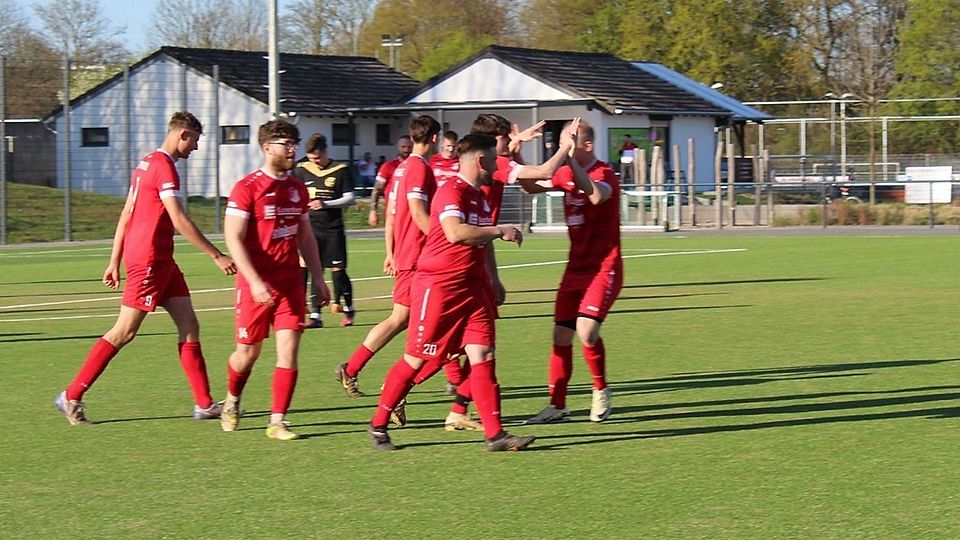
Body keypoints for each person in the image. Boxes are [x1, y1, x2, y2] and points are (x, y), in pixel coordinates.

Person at [54, 111, 237, 425]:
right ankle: (71, 395)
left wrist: (114, 260)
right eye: (194, 141)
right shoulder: (164, 168)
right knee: (124, 332)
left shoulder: (146, 163)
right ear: (182, 134)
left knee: (189, 325)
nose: (195, 148)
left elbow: (127, 212)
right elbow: (178, 219)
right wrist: (216, 255)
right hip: (149, 261)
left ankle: (204, 403)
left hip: (163, 261)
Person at [367, 133, 534, 452]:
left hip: (473, 289)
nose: (496, 168)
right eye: (493, 162)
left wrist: (494, 279)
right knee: (416, 359)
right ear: (481, 161)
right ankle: (378, 425)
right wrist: (499, 230)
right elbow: (456, 233)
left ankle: (496, 435)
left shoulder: (480, 196)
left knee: (483, 355)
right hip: (438, 288)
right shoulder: (450, 191)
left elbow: (482, 242)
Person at [411, 113, 574, 430]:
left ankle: (460, 411)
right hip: (458, 263)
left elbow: (531, 187)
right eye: (504, 139)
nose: (507, 144)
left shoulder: (494, 163)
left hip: (475, 256)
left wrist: (517, 148)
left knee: (478, 347)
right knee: (458, 345)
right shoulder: (494, 164)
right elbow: (543, 174)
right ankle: (404, 389)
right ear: (491, 142)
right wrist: (565, 146)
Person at [218, 119, 331, 441]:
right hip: (255, 284)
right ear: (267, 148)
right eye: (286, 144)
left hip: (290, 283)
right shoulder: (247, 188)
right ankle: (232, 400)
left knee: (289, 351)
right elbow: (233, 237)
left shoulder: (297, 188)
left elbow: (305, 236)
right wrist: (254, 282)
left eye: (295, 143)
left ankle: (278, 420)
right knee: (247, 354)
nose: (293, 149)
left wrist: (318, 278)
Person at [519, 119, 622, 424]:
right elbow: (530, 186)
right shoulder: (564, 172)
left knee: (586, 331)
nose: (562, 147)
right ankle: (557, 405)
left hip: (604, 267)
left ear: (587, 145)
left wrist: (568, 162)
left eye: (569, 141)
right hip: (575, 267)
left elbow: (596, 195)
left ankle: (600, 389)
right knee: (561, 334)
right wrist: (516, 152)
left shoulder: (604, 173)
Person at [335, 115, 440, 407]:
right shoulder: (419, 169)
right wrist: (443, 242)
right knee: (427, 323)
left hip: (408, 254)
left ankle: (355, 369)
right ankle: (397, 384)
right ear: (434, 138)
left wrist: (391, 251)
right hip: (418, 257)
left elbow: (391, 213)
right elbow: (417, 213)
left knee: (405, 320)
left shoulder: (402, 169)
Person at [292, 133, 357, 327]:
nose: (315, 162)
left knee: (338, 271)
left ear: (325, 152)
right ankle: (315, 316)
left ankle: (348, 308)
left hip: (333, 228)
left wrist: (326, 203)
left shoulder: (340, 170)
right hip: (310, 228)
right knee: (314, 268)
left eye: (318, 158)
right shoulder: (301, 169)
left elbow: (350, 198)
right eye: (312, 158)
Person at [368, 136, 412, 226]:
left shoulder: (418, 166)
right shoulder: (389, 166)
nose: (406, 150)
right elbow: (377, 189)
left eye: (409, 147)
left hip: (412, 214)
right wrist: (373, 211)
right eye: (403, 147)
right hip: (393, 214)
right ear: (398, 147)